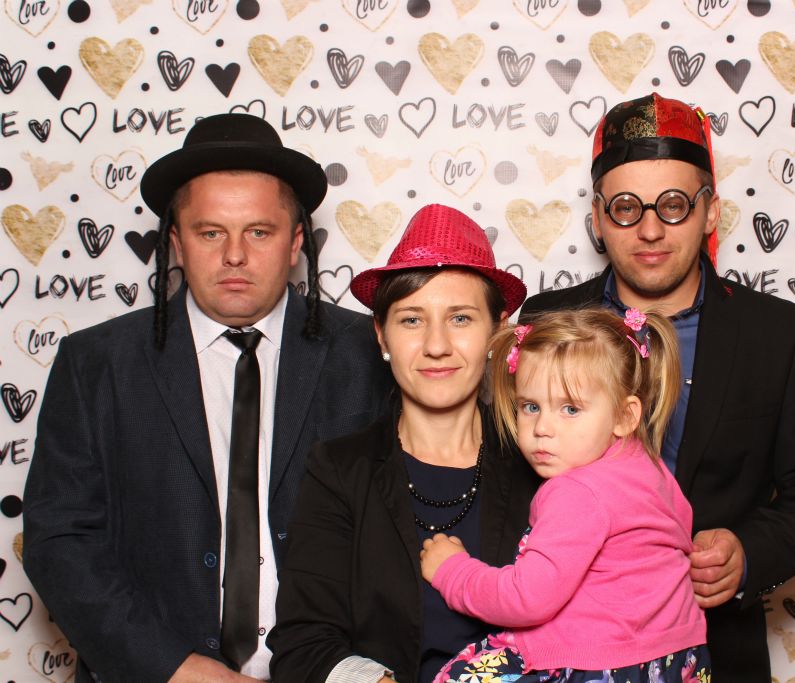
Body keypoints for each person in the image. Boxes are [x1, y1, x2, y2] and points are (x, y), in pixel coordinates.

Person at [22, 113, 392, 683]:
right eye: (210, 232)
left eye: (259, 232)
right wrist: (173, 668)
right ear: (176, 242)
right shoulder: (96, 363)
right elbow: (60, 540)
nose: (234, 255)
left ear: (296, 242)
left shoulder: (371, 354)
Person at [520, 93, 795, 682]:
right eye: (626, 208)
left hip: (714, 651)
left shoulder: (774, 333)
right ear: (597, 218)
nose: (650, 229)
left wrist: (748, 551)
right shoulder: (546, 321)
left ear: (710, 213)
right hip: (560, 652)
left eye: (674, 205)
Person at [268, 204, 540, 683]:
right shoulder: (339, 470)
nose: (436, 345)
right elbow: (303, 644)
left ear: (497, 331)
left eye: (461, 318)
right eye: (412, 320)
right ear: (381, 335)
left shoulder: (541, 460)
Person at [421, 307, 712, 683]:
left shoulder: (576, 490)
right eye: (530, 407)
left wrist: (452, 570)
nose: (542, 427)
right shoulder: (653, 472)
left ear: (625, 416)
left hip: (596, 664)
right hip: (678, 659)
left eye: (570, 409)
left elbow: (527, 598)